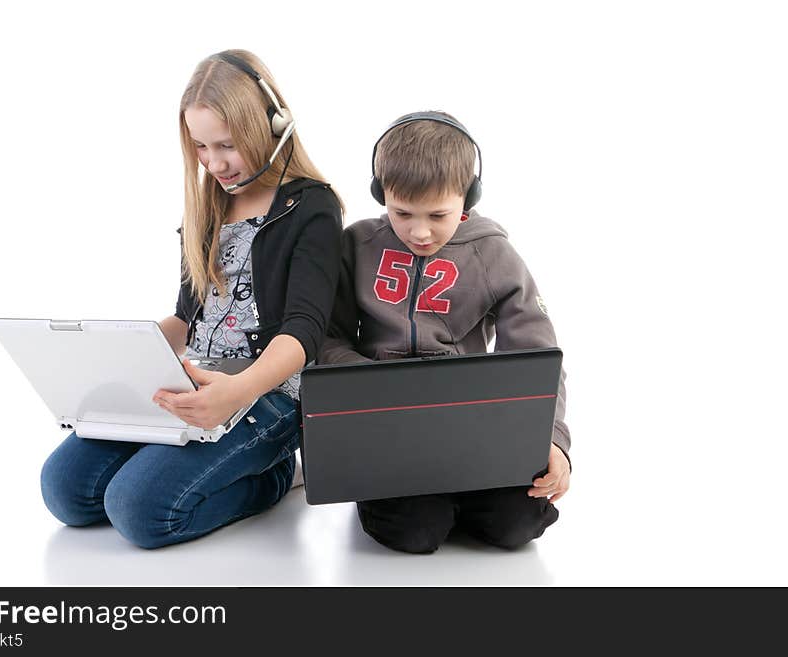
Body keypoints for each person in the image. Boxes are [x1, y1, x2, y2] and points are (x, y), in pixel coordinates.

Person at [40, 50, 343, 549]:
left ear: (272, 127)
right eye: (201, 147)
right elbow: (188, 316)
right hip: (197, 382)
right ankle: (196, 463)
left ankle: (273, 475)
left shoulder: (312, 207)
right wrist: (123, 358)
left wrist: (239, 389)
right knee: (66, 492)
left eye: (227, 145)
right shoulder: (209, 201)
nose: (214, 162)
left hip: (266, 395)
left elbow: (304, 332)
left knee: (138, 511)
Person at [319, 111, 571, 554]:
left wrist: (552, 440)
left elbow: (538, 356)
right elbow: (327, 340)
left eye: (438, 214)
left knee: (517, 524)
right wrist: (369, 381)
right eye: (401, 213)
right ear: (381, 194)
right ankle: (430, 503)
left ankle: (461, 497)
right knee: (414, 532)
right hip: (386, 426)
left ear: (469, 196)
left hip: (469, 430)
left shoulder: (493, 253)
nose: (419, 231)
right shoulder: (355, 246)